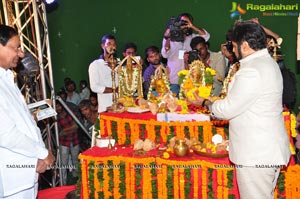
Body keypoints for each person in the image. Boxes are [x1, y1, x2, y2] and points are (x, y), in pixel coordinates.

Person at [189, 21, 291, 199]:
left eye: (234, 46)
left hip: (256, 155)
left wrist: (206, 102)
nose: (233, 50)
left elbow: (227, 110)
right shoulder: (267, 63)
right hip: (265, 151)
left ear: (244, 45)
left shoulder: (251, 70)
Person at [0, 25, 54, 198]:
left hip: (26, 172)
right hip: (12, 177)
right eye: (15, 48)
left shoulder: (7, 78)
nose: (21, 54)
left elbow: (15, 119)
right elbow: (6, 134)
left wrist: (34, 114)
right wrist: (43, 153)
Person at [161, 12, 210, 96]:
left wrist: (192, 26)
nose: (183, 24)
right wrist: (168, 38)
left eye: (186, 22)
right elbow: (164, 54)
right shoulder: (170, 38)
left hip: (190, 80)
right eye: (182, 21)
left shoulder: (193, 38)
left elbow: (206, 36)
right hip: (174, 80)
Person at [88, 34, 119, 113]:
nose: (112, 46)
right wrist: (114, 90)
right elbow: (94, 87)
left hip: (121, 107)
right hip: (105, 108)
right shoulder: (95, 65)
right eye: (109, 44)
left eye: (114, 44)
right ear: (103, 46)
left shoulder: (120, 64)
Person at [56, 101, 80, 185]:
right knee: (63, 163)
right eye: (56, 107)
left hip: (74, 140)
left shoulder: (70, 112)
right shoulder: (55, 117)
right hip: (64, 142)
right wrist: (71, 128)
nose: (58, 108)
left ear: (62, 106)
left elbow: (76, 127)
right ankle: (63, 182)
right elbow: (59, 133)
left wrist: (65, 130)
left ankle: (76, 178)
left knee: (76, 160)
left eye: (59, 106)